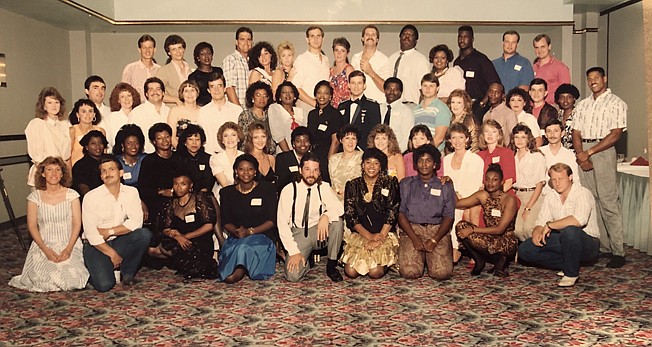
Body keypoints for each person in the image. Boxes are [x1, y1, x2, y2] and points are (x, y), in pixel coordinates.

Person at [571, 67, 627, 269]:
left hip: (602, 151)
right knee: (592, 201)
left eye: (596, 78)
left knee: (608, 201)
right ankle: (603, 248)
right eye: (589, 79)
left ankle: (618, 251)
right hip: (583, 152)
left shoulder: (617, 103)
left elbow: (615, 135)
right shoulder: (583, 105)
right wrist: (580, 154)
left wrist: (590, 152)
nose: (593, 81)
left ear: (605, 79)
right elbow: (575, 132)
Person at [9, 157, 89, 292]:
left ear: (63, 174)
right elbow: (32, 226)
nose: (54, 174)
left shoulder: (72, 195)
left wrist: (68, 249)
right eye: (49, 170)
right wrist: (46, 250)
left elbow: (77, 224)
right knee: (45, 280)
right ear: (43, 174)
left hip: (69, 243)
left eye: (58, 170)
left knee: (73, 280)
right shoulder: (34, 197)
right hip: (43, 245)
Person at [518, 163, 599, 287]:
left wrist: (550, 225)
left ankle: (571, 273)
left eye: (561, 179)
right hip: (563, 241)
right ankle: (569, 263)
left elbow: (579, 220)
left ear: (570, 177)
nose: (557, 183)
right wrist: (536, 232)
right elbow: (541, 221)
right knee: (525, 250)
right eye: (554, 179)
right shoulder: (551, 196)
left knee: (570, 231)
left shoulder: (582, 193)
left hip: (587, 243)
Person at [82, 156, 152, 292]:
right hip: (97, 245)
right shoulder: (91, 197)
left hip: (119, 240)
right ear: (101, 176)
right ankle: (90, 270)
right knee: (105, 285)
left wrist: (110, 232)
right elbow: (92, 235)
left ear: (120, 173)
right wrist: (112, 254)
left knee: (143, 234)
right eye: (103, 171)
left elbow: (136, 222)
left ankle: (127, 272)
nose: (108, 174)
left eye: (112, 169)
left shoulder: (131, 192)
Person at [277, 152, 344, 282]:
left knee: (337, 223)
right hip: (299, 233)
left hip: (319, 232)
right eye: (307, 169)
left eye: (315, 170)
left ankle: (331, 266)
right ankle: (307, 261)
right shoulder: (289, 190)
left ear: (319, 172)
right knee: (293, 276)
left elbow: (339, 208)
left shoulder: (323, 187)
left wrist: (326, 216)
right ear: (300, 170)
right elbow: (282, 224)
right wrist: (294, 251)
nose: (311, 174)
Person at [398, 144, 456, 279]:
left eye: (428, 160)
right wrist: (414, 238)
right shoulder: (405, 184)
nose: (424, 164)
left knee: (442, 274)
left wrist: (435, 240)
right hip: (412, 230)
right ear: (415, 164)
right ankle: (418, 257)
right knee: (409, 272)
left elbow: (449, 216)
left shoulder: (445, 186)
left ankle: (429, 258)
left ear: (435, 164)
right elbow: (400, 214)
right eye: (420, 160)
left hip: (436, 231)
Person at [218, 154, 278, 283]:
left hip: (261, 236)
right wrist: (236, 232)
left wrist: (250, 231)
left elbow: (272, 220)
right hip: (236, 237)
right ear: (236, 171)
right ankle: (241, 267)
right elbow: (225, 221)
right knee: (239, 246)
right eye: (241, 169)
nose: (246, 172)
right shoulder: (227, 193)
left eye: (250, 169)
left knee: (244, 247)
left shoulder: (267, 189)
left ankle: (241, 269)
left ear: (255, 171)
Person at [342, 148, 400, 279]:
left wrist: (379, 238)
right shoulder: (353, 185)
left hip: (383, 234)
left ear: (381, 167)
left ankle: (388, 263)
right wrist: (369, 236)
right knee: (350, 272)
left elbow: (393, 212)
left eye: (376, 163)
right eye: (368, 162)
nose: (371, 167)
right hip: (362, 233)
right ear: (362, 165)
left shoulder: (390, 182)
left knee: (375, 272)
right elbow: (350, 216)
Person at [455, 163, 518, 277]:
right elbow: (458, 203)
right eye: (487, 179)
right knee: (461, 226)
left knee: (469, 230)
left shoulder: (509, 200)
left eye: (495, 180)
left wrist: (473, 229)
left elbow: (500, 229)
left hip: (506, 240)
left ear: (501, 182)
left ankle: (501, 260)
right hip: (490, 236)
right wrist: (450, 185)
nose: (490, 183)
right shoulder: (483, 195)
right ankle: (479, 260)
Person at [159, 173, 218, 279]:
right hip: (179, 240)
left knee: (195, 258)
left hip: (199, 238)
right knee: (160, 246)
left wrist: (185, 237)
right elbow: (165, 228)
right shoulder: (170, 203)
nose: (179, 187)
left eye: (183, 184)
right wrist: (178, 237)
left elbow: (209, 225)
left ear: (190, 185)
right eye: (176, 184)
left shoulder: (200, 199)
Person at [443, 123, 484, 262]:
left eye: (461, 137)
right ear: (449, 140)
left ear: (467, 139)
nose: (457, 141)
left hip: (468, 200)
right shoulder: (446, 159)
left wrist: (462, 198)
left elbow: (475, 185)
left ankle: (473, 251)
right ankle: (453, 248)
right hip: (451, 200)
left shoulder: (475, 159)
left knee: (462, 211)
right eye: (453, 137)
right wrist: (453, 195)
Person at [138, 123, 183, 229]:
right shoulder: (148, 161)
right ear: (154, 142)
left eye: (167, 137)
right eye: (160, 138)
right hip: (157, 201)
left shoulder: (180, 158)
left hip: (179, 199)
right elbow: (143, 189)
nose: (165, 141)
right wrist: (162, 192)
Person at [25, 87, 71, 187]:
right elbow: (38, 158)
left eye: (56, 102)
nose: (54, 106)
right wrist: (48, 174)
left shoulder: (65, 125)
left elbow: (66, 156)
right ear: (44, 106)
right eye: (50, 102)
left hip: (60, 175)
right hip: (43, 175)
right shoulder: (37, 124)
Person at [453, 25, 501, 119]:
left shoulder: (481, 59)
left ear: (472, 39)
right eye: (460, 37)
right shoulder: (457, 62)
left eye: (466, 37)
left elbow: (495, 83)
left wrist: (482, 103)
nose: (462, 40)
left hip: (477, 107)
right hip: (461, 107)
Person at [510, 124, 546, 241]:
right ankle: (527, 254)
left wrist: (528, 208)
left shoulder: (536, 157)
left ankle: (536, 255)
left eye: (523, 137)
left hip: (533, 196)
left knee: (529, 228)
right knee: (518, 230)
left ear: (528, 139)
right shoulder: (512, 157)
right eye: (516, 137)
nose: (519, 140)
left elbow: (539, 185)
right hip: (517, 196)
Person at [198, 73, 243, 155]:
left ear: (225, 88)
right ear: (208, 90)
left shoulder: (237, 110)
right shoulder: (203, 111)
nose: (216, 90)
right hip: (210, 156)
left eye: (219, 86)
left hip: (233, 156)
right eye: (212, 87)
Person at [337, 70, 382, 150]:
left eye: (359, 83)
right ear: (348, 85)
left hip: (363, 150)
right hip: (344, 150)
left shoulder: (372, 106)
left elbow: (374, 132)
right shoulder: (342, 106)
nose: (356, 86)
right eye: (353, 83)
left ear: (364, 85)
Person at [307, 80, 341, 183]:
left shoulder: (335, 114)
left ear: (330, 96)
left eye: (326, 93)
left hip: (327, 155)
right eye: (319, 92)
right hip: (313, 155)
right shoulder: (312, 114)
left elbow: (335, 141)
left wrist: (329, 162)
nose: (322, 96)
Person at [388, 25, 430, 104]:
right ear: (400, 37)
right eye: (404, 34)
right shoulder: (392, 58)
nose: (407, 37)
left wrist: (421, 108)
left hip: (412, 105)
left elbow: (425, 89)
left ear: (416, 41)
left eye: (411, 35)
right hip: (393, 105)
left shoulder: (421, 60)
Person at [412, 73, 452, 152]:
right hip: (417, 153)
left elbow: (439, 138)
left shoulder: (442, 108)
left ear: (437, 88)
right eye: (425, 86)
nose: (428, 89)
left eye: (431, 86)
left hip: (434, 153)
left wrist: (426, 152)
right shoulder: (415, 109)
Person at [130, 77, 171, 153]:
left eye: (158, 89)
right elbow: (133, 136)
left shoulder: (169, 111)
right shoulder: (137, 112)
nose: (155, 92)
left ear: (163, 93)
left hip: (167, 156)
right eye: (151, 89)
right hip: (145, 155)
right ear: (146, 94)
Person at [539, 118, 581, 192]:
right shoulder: (539, 153)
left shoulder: (570, 155)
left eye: (556, 131)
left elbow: (575, 180)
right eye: (549, 131)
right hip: (543, 194)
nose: (552, 135)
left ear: (562, 133)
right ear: (545, 134)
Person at [293, 26, 330, 111]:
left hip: (324, 107)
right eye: (312, 36)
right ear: (307, 39)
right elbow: (296, 87)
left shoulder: (326, 60)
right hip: (306, 106)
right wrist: (314, 103)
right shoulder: (301, 59)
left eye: (318, 36)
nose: (315, 39)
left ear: (322, 39)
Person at [351, 25, 390, 103]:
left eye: (373, 35)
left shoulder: (384, 59)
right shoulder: (355, 58)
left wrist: (371, 72)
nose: (370, 36)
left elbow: (386, 88)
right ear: (362, 38)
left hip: (377, 104)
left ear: (377, 40)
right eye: (367, 34)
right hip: (358, 104)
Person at [477, 120, 516, 193]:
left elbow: (509, 182)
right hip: (484, 196)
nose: (490, 134)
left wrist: (495, 197)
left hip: (504, 196)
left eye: (494, 132)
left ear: (499, 136)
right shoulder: (479, 155)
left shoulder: (506, 153)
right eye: (487, 131)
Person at [175, 124, 215, 194]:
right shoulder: (177, 158)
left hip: (203, 196)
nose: (194, 143)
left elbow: (209, 182)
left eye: (197, 139)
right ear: (185, 142)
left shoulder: (208, 158)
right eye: (190, 139)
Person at [237, 82, 275, 154]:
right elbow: (243, 142)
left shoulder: (270, 114)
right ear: (252, 98)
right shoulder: (245, 115)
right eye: (258, 95)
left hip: (269, 155)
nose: (262, 98)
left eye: (265, 96)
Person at [532, 34, 570, 105]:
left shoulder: (561, 68)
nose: (539, 50)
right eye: (536, 47)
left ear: (549, 47)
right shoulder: (532, 68)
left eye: (542, 47)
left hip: (553, 107)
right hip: (535, 108)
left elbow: (566, 92)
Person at [156, 34, 192, 107]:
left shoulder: (192, 69)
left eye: (179, 47)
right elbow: (157, 93)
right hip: (173, 110)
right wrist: (176, 100)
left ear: (184, 49)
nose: (178, 51)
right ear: (169, 52)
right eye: (174, 49)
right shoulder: (163, 71)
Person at [269, 81, 306, 152]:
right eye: (284, 92)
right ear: (279, 97)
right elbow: (278, 136)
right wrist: (290, 156)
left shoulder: (301, 111)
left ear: (295, 96)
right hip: (284, 152)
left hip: (301, 153)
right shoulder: (275, 108)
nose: (288, 94)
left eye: (291, 92)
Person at [329, 125, 363, 201]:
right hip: (334, 198)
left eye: (353, 139)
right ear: (341, 140)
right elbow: (333, 183)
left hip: (354, 199)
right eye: (347, 138)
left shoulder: (362, 157)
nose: (350, 142)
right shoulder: (333, 159)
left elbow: (359, 181)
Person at [122, 34, 161, 102]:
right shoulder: (130, 69)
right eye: (144, 48)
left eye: (150, 47)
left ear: (154, 50)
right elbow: (123, 92)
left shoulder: (160, 70)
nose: (147, 51)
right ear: (139, 50)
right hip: (136, 109)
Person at [380, 77, 414, 153]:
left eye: (395, 90)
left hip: (397, 154)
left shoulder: (406, 112)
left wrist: (393, 153)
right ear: (384, 91)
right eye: (389, 89)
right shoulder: (378, 109)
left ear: (400, 92)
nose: (392, 92)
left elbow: (406, 138)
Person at [212, 121, 246, 196]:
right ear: (222, 140)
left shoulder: (245, 156)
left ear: (238, 139)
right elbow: (225, 185)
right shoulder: (215, 158)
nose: (229, 138)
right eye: (226, 136)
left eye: (233, 135)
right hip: (224, 195)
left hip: (244, 194)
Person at [68, 99, 106, 166]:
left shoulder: (100, 131)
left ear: (94, 114)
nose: (87, 115)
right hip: (77, 171)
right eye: (83, 111)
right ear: (77, 115)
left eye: (90, 111)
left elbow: (104, 156)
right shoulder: (72, 131)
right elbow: (68, 157)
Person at [275, 126, 313, 192]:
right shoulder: (282, 158)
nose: (303, 144)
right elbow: (281, 183)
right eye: (298, 141)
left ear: (310, 143)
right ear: (293, 144)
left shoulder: (316, 158)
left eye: (306, 141)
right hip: (289, 194)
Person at [72, 130, 108, 198]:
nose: (98, 146)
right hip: (92, 200)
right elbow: (83, 189)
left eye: (100, 143)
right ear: (86, 147)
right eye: (93, 143)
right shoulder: (80, 166)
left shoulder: (111, 161)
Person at [223, 27, 253, 106]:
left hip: (252, 112)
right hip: (237, 111)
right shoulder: (230, 60)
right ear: (236, 42)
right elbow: (229, 88)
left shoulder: (253, 62)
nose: (246, 43)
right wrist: (239, 111)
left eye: (249, 39)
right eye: (242, 39)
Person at [106, 83, 141, 150]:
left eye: (129, 96)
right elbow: (111, 140)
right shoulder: (112, 117)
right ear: (118, 100)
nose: (126, 99)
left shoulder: (139, 114)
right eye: (122, 97)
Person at [188, 41, 224, 106]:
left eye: (209, 53)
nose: (206, 56)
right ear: (198, 58)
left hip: (219, 106)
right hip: (202, 109)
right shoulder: (193, 76)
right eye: (202, 54)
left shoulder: (218, 71)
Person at [167, 80, 201, 149]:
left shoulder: (203, 111)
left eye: (192, 90)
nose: (190, 94)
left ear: (197, 93)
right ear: (182, 94)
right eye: (186, 91)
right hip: (179, 153)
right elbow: (172, 137)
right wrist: (182, 153)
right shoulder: (175, 111)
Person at [329, 37, 355, 108]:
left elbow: (354, 91)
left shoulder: (349, 69)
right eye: (336, 50)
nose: (339, 53)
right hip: (332, 110)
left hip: (345, 109)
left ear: (347, 53)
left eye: (342, 51)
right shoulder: (330, 70)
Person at [555, 83, 580, 150]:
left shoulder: (579, 114)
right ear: (558, 100)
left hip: (575, 153)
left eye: (569, 97)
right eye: (562, 97)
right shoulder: (557, 114)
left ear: (574, 99)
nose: (565, 101)